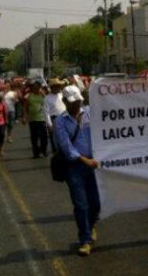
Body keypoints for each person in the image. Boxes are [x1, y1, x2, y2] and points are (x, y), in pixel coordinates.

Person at [54, 85, 100, 256]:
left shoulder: (89, 114)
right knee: (81, 205)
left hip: (93, 164)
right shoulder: (60, 122)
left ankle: (92, 224)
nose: (76, 104)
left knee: (96, 203)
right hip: (74, 167)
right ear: (65, 101)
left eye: (78, 101)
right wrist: (84, 160)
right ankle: (85, 240)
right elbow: (66, 147)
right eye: (72, 102)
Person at [22, 81, 48, 158]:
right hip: (33, 120)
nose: (35, 89)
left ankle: (43, 150)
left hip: (42, 119)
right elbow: (25, 107)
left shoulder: (43, 95)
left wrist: (43, 93)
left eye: (37, 87)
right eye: (34, 88)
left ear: (40, 88)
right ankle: (36, 153)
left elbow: (47, 103)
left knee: (44, 137)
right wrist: (24, 117)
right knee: (34, 138)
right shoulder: (29, 96)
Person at [44, 78, 67, 151]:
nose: (58, 88)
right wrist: (49, 124)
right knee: (55, 138)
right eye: (56, 86)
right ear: (52, 87)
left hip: (64, 117)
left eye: (59, 86)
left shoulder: (62, 95)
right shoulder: (47, 98)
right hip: (54, 119)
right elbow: (46, 112)